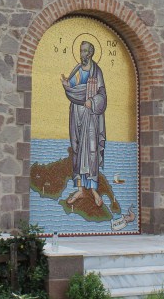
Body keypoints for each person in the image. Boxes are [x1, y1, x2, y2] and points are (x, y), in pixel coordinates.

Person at [60, 40, 107, 206]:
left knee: (91, 150)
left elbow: (102, 95)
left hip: (90, 114)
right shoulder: (77, 70)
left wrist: (92, 102)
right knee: (77, 148)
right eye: (81, 51)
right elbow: (72, 88)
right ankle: (80, 189)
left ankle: (94, 190)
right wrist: (67, 85)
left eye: (85, 51)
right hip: (76, 113)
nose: (82, 54)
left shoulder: (96, 71)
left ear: (91, 53)